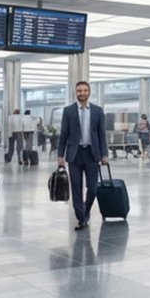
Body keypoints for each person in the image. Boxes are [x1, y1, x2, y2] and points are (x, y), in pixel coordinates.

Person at [58, 81, 107, 231]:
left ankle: (85, 212)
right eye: (79, 91)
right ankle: (81, 218)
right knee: (76, 189)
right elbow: (63, 134)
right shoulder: (69, 111)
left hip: (92, 154)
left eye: (85, 90)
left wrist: (104, 154)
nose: (82, 93)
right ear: (75, 93)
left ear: (89, 92)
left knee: (92, 188)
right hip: (74, 154)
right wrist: (61, 155)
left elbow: (101, 134)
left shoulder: (98, 111)